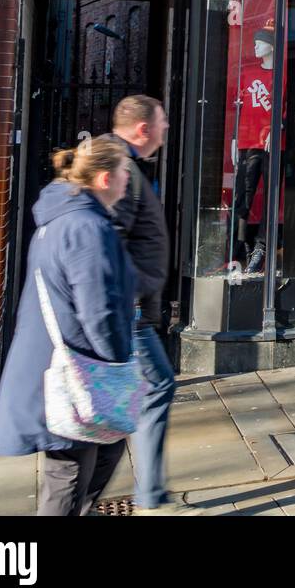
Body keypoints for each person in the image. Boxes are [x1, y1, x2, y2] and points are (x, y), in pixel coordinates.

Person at [0, 134, 135, 517]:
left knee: (103, 449)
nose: (127, 180)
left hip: (55, 363)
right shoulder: (87, 227)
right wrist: (120, 367)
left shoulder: (59, 221)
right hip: (75, 371)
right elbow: (97, 309)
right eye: (123, 172)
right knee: (68, 473)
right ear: (104, 178)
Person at [110, 94, 188, 514]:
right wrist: (133, 298)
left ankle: (147, 495)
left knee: (142, 392)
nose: (166, 129)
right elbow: (110, 240)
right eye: (163, 122)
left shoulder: (130, 165)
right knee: (155, 387)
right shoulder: (119, 167)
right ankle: (151, 500)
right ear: (144, 128)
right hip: (129, 310)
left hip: (132, 308)